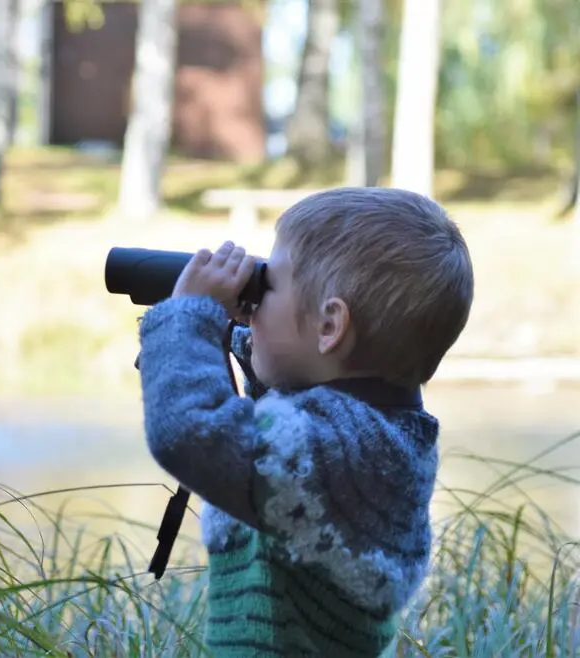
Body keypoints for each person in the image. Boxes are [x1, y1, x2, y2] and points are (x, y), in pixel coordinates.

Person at [135, 187, 474, 657]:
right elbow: (285, 420)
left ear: (331, 326)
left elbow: (190, 432)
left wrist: (189, 318)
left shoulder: (340, 448)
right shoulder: (373, 431)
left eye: (265, 286)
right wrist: (231, 334)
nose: (251, 306)